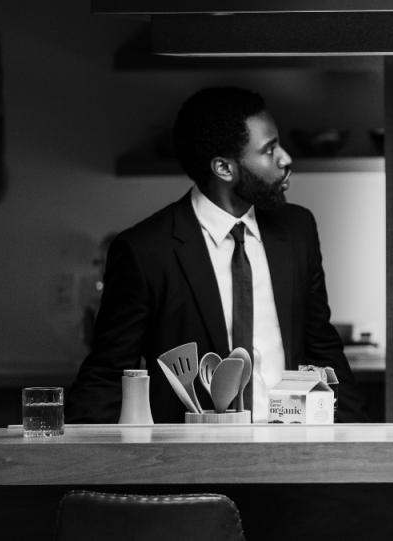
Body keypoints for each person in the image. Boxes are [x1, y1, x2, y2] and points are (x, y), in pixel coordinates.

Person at [66, 86, 367, 423]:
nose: (285, 158)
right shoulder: (145, 250)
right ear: (224, 168)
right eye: (269, 150)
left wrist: (355, 446)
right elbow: (107, 374)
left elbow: (323, 346)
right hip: (191, 464)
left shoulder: (298, 230)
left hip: (294, 450)